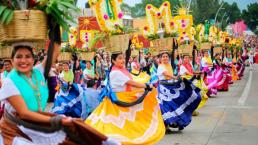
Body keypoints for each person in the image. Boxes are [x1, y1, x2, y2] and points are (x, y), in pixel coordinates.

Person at [85, 52, 165, 144]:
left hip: (123, 97)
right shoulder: (115, 73)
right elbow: (132, 83)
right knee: (110, 125)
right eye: (119, 58)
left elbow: (132, 82)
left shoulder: (120, 70)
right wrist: (146, 86)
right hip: (118, 100)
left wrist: (146, 86)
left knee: (120, 125)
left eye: (123, 58)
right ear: (113, 61)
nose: (122, 60)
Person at [0, 42, 72, 144]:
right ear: (12, 61)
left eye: (28, 56)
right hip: (16, 132)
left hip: (35, 126)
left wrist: (55, 30)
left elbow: (53, 54)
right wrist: (57, 120)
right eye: (19, 57)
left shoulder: (37, 72)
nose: (23, 60)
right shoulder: (10, 81)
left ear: (33, 60)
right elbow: (24, 113)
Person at [157, 51, 201, 130]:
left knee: (175, 103)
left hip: (170, 87)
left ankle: (176, 122)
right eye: (163, 57)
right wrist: (175, 78)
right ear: (160, 58)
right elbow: (166, 74)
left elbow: (170, 76)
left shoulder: (169, 65)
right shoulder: (160, 66)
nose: (165, 58)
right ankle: (166, 125)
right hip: (163, 89)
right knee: (165, 106)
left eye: (166, 56)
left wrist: (177, 77)